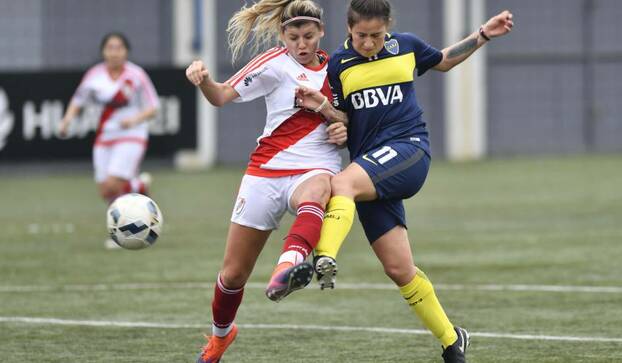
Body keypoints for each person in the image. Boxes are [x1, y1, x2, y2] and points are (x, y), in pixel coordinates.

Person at [295, 1, 514, 362]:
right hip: (369, 165)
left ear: (389, 28)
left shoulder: (406, 46)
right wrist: (328, 116)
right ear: (349, 29)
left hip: (408, 149)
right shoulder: (338, 65)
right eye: (362, 36)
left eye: (377, 36)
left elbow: (442, 60)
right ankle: (452, 340)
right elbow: (345, 119)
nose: (369, 43)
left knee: (342, 185)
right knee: (399, 269)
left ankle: (322, 257)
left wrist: (483, 35)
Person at [184, 1, 346, 361]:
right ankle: (220, 337)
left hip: (315, 166)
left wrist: (341, 127)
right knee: (233, 275)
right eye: (293, 37)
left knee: (318, 191)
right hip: (265, 172)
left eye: (307, 36)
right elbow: (222, 96)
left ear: (321, 33)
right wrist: (204, 80)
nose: (301, 44)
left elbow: (354, 121)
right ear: (282, 36)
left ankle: (287, 268)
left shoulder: (340, 68)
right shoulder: (274, 63)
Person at [58, 32, 160, 249]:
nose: (114, 52)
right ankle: (139, 184)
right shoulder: (94, 75)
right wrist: (67, 120)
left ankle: (127, 231)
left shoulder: (136, 75)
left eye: (119, 47)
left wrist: (134, 119)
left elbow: (153, 107)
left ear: (126, 51)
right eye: (110, 48)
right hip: (105, 137)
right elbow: (78, 99)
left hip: (132, 135)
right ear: (103, 51)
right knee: (105, 190)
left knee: (115, 183)